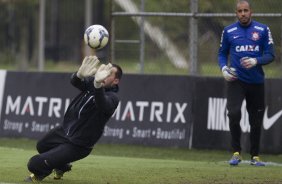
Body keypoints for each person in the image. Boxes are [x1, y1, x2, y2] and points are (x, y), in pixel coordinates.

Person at [25, 56, 123, 182]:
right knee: (42, 145)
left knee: (34, 164)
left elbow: (102, 103)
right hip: (65, 131)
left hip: (79, 144)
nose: (103, 75)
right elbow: (76, 82)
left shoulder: (113, 98)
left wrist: (98, 85)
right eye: (104, 71)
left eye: (109, 74)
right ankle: (62, 166)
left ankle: (40, 173)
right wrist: (78, 75)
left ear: (115, 81)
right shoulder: (94, 82)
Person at [218, 0, 275, 166]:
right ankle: (236, 153)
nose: (243, 13)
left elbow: (270, 55)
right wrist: (223, 69)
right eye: (240, 11)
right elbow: (222, 53)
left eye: (246, 10)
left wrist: (256, 61)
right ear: (236, 13)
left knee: (256, 120)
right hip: (236, 81)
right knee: (234, 114)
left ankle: (255, 156)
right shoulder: (228, 31)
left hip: (256, 82)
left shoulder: (263, 29)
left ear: (251, 12)